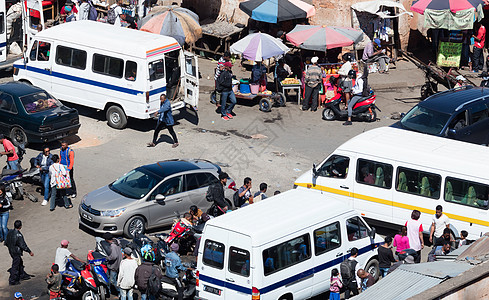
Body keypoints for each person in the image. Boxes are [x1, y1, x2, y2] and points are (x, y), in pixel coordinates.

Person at [6, 220, 34, 285]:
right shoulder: (18, 235)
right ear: (20, 226)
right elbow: (22, 245)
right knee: (15, 266)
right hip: (16, 252)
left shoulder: (10, 232)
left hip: (11, 251)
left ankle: (22, 274)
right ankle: (13, 280)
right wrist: (29, 251)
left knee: (20, 263)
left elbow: (6, 242)